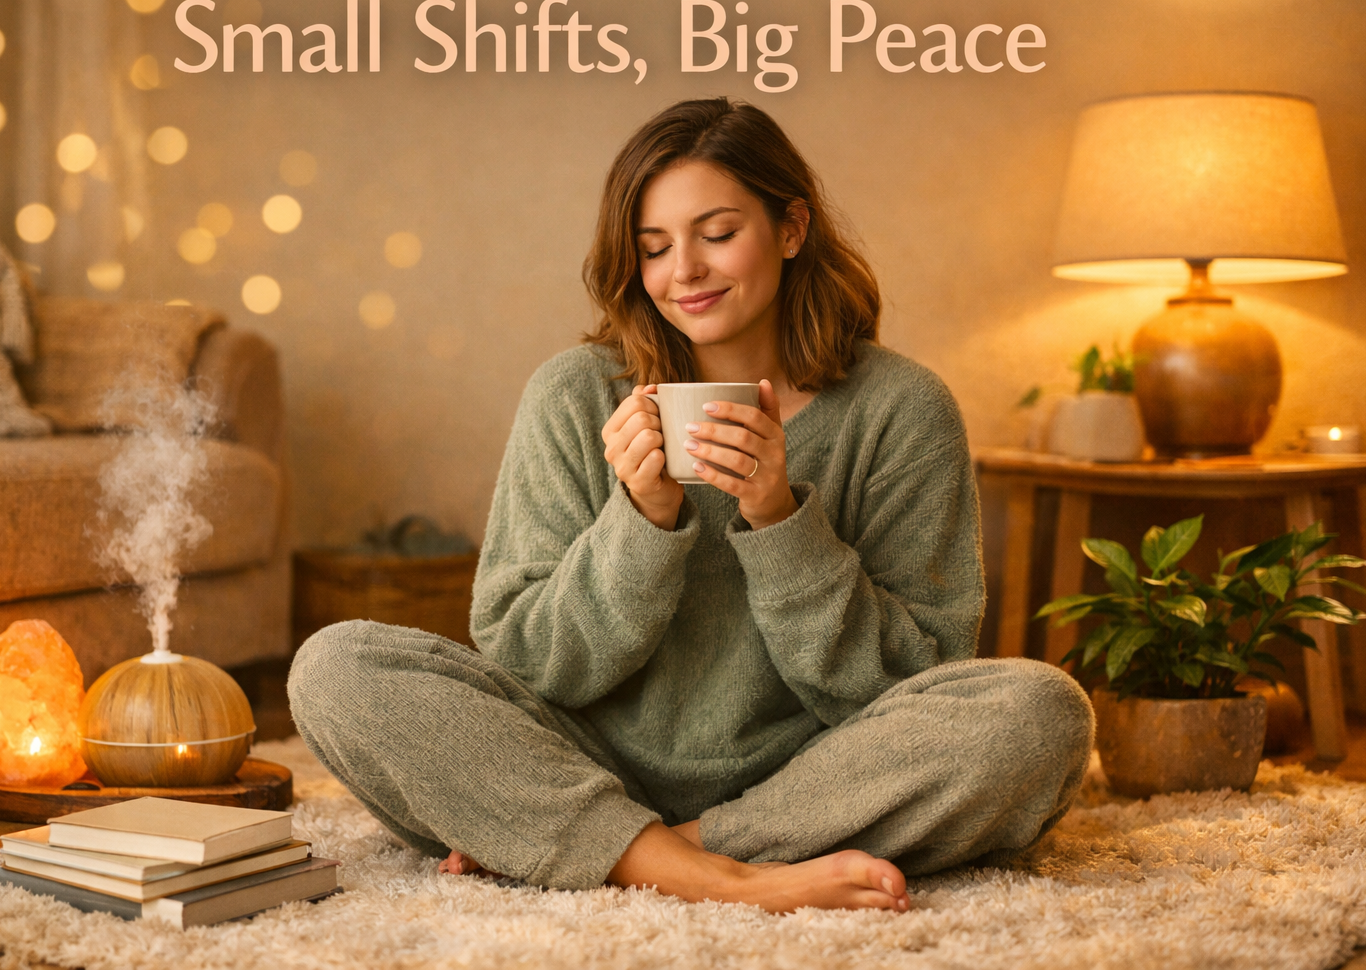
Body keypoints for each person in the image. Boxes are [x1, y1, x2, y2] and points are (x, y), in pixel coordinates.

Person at [289, 97, 1094, 915]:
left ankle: (636, 846)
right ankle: (719, 873)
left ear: (791, 228)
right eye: (655, 248)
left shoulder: (902, 408)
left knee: (1039, 714)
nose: (685, 272)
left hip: (811, 777)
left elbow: (912, 681)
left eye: (717, 234)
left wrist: (781, 521)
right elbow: (529, 664)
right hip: (583, 759)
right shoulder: (572, 394)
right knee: (336, 666)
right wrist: (640, 520)